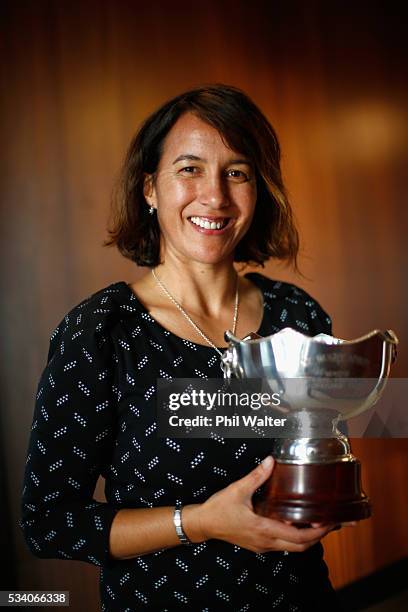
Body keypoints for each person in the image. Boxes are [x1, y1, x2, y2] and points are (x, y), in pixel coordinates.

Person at [21, 84, 345, 611]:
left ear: (257, 189)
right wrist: (198, 522)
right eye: (190, 169)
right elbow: (49, 522)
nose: (214, 196)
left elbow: (323, 454)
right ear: (150, 188)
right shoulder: (101, 332)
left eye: (236, 173)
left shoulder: (299, 316)